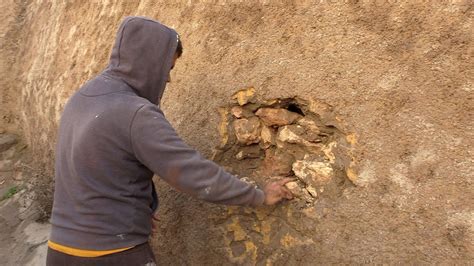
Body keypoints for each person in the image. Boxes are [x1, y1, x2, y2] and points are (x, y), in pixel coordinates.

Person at [46, 16, 292, 265]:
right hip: (111, 253)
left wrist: (141, 208)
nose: (168, 79)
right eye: (168, 68)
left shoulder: (82, 98)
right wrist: (259, 196)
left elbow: (98, 168)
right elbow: (191, 173)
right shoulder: (135, 112)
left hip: (60, 249)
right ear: (150, 62)